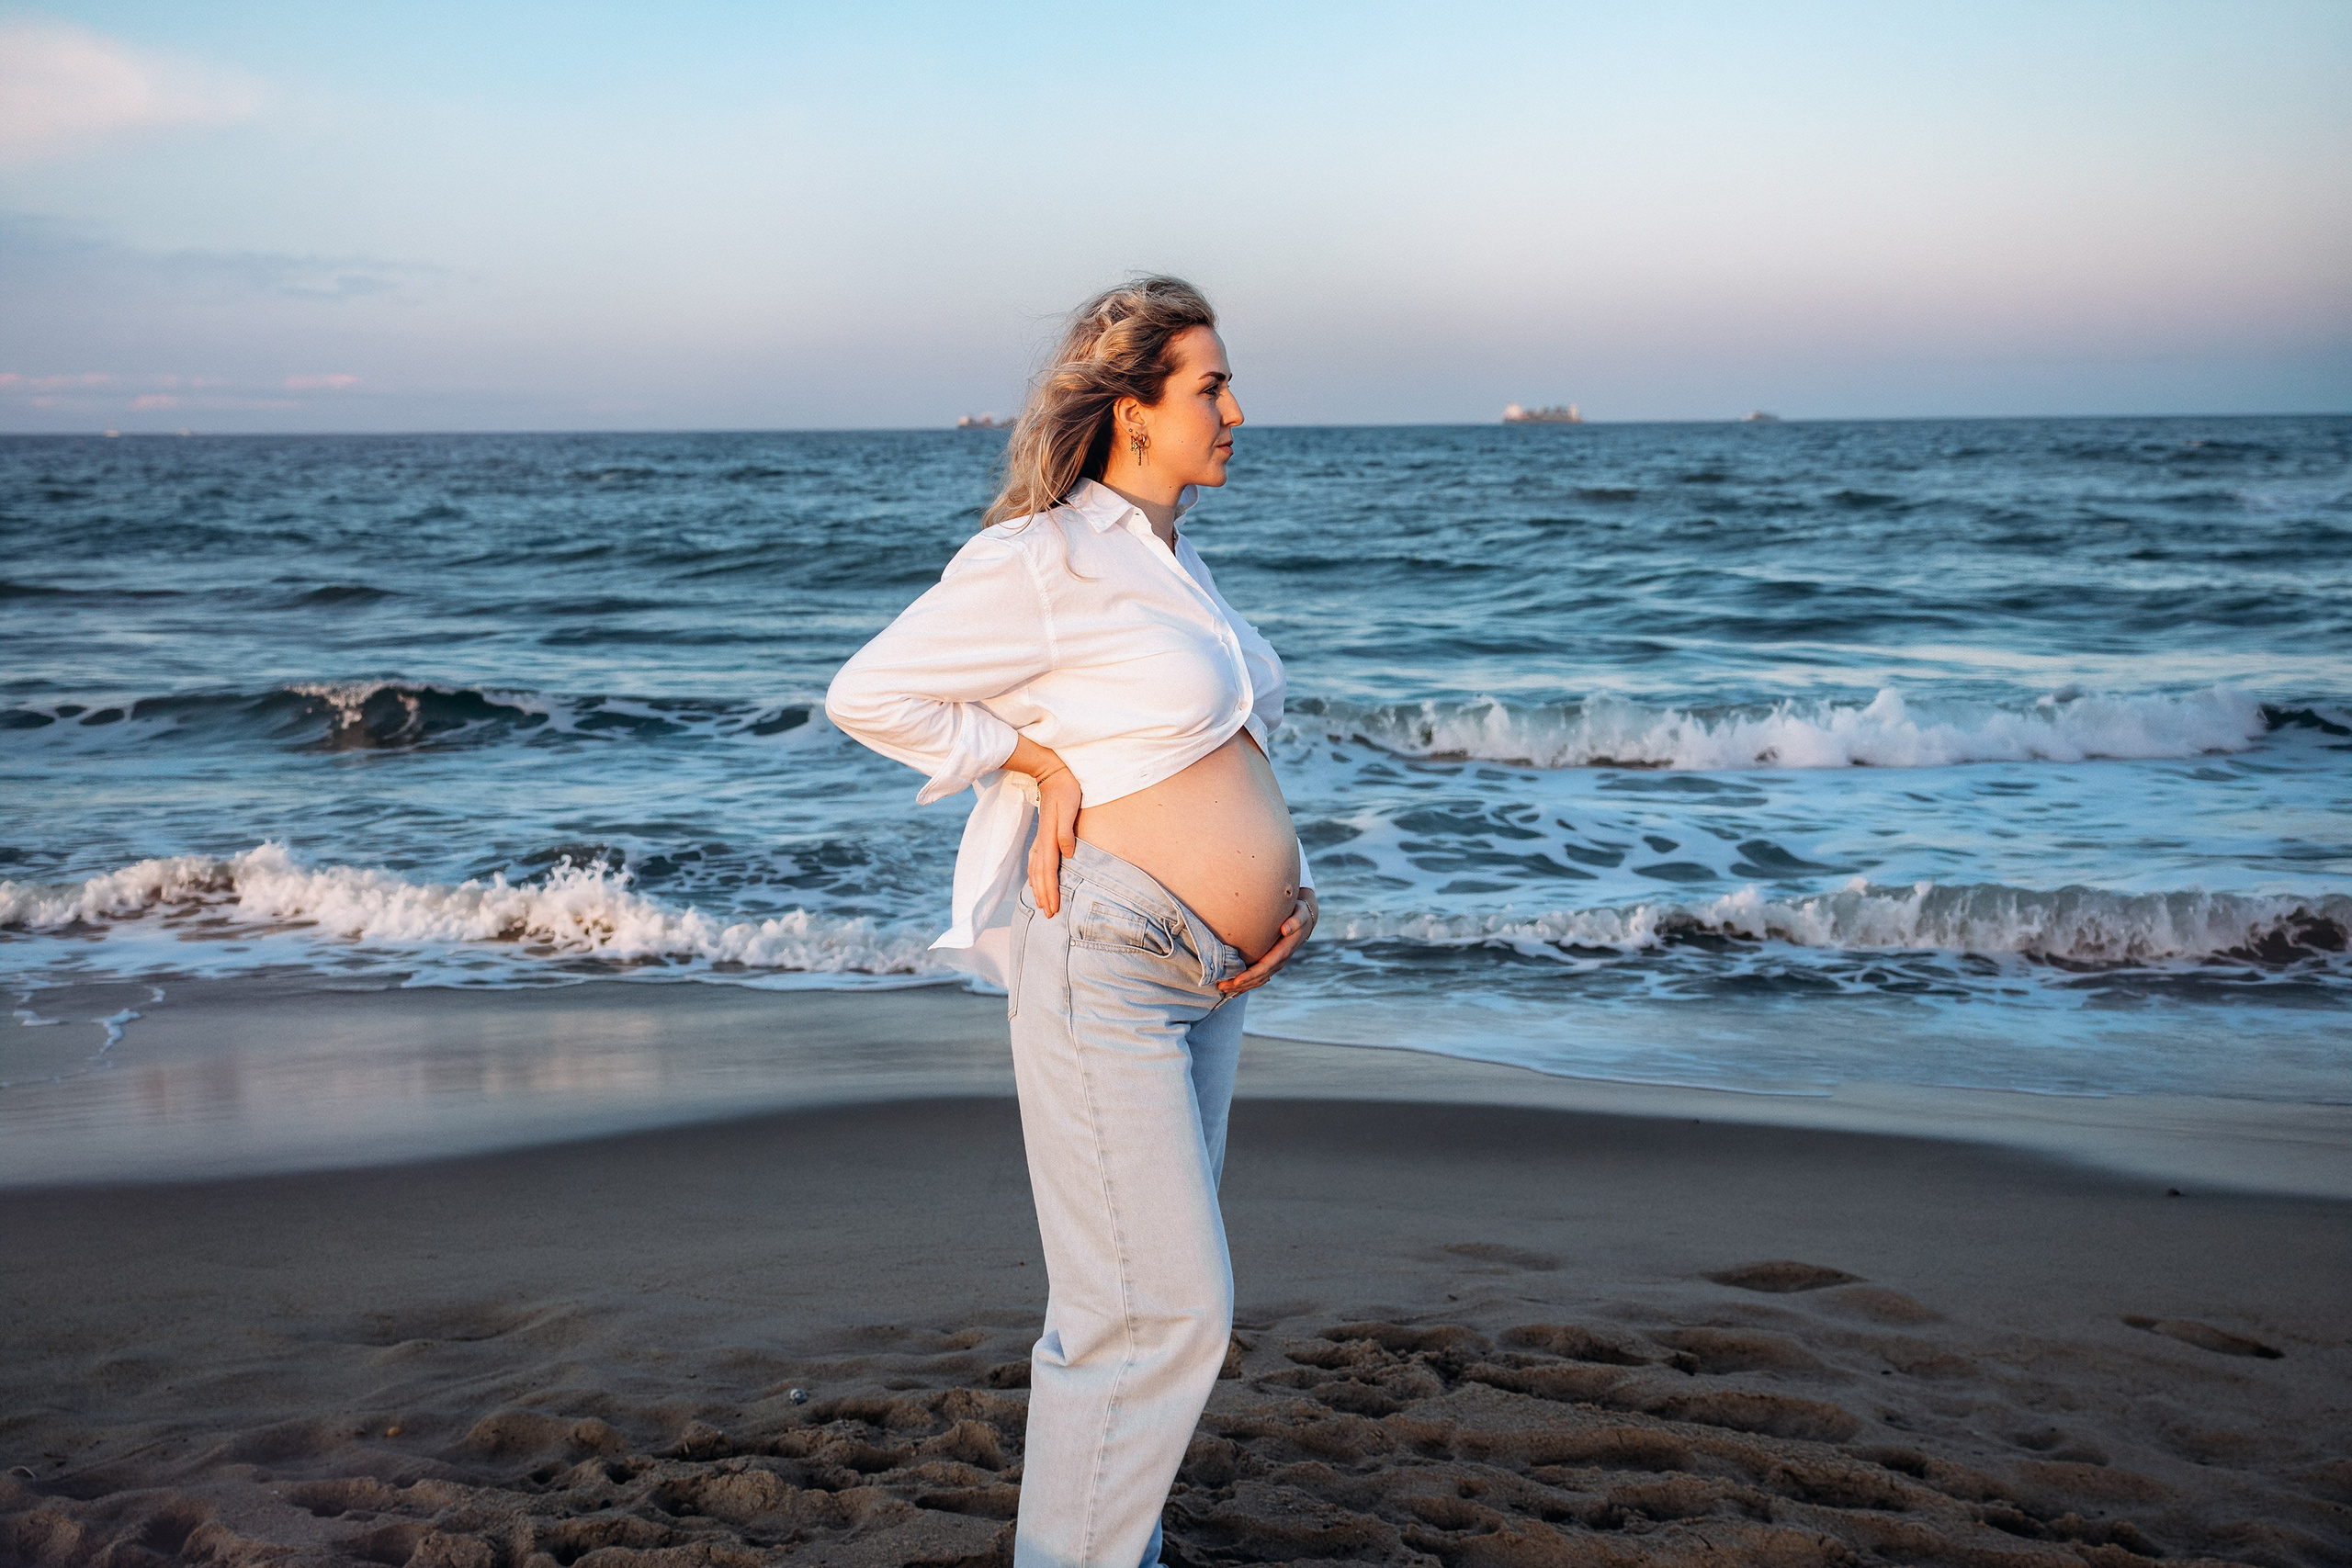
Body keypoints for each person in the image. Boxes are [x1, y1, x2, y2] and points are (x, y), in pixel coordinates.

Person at [825, 276, 1317, 1568]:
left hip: (1207, 974)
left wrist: (1280, 893)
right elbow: (870, 691)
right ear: (1133, 411)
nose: (1236, 411)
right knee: (1169, 1314)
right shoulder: (1042, 559)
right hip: (1108, 959)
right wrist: (1026, 764)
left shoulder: (1178, 567)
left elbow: (1212, 752)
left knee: (1121, 1308)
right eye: (1210, 388)